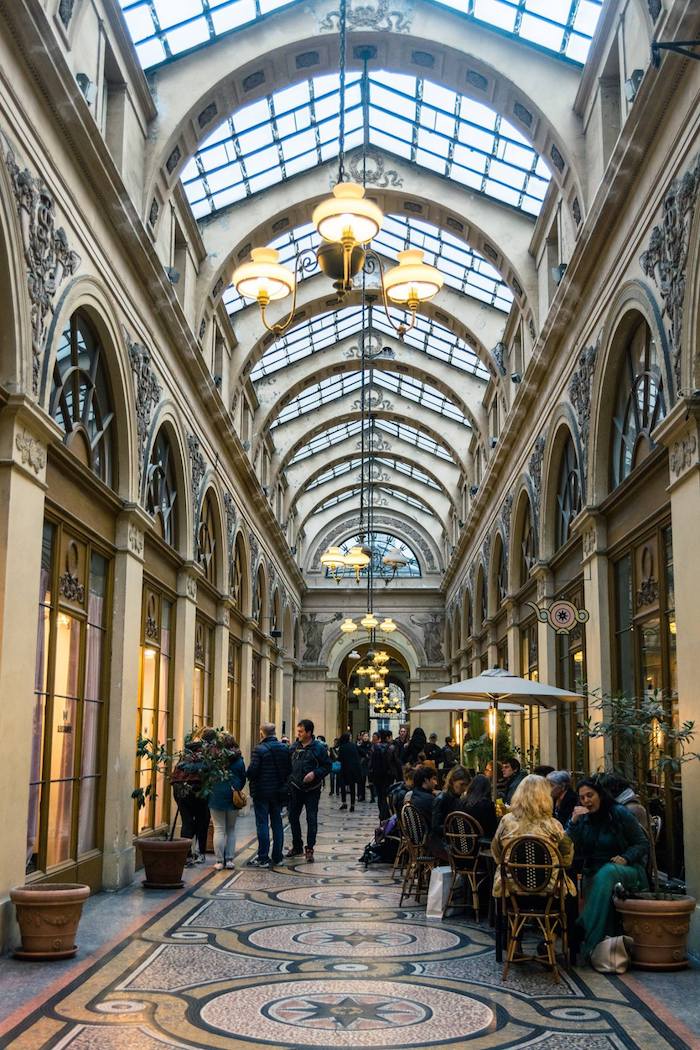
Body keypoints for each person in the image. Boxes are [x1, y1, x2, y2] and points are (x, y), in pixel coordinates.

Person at [566, 778, 649, 961]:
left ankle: (580, 929)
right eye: (582, 798)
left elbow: (642, 843)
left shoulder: (618, 813)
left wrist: (626, 857)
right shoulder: (583, 818)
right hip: (594, 874)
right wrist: (573, 821)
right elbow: (567, 844)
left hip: (628, 870)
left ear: (600, 795)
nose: (587, 801)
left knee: (608, 872)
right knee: (600, 876)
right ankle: (595, 947)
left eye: (590, 795)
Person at [492, 774, 575, 899]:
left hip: (512, 889)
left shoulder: (506, 822)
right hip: (549, 890)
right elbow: (567, 858)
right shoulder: (554, 825)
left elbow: (497, 852)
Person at [246, 722, 292, 868]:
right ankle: (277, 857)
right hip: (278, 792)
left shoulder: (259, 749)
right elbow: (288, 770)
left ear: (262, 733)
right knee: (277, 823)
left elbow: (253, 771)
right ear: (274, 732)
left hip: (261, 792)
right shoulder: (284, 748)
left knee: (262, 823)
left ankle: (263, 857)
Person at [287, 718, 331, 862]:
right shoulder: (294, 747)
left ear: (309, 732)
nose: (298, 733)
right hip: (295, 788)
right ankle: (297, 845)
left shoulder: (318, 748)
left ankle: (310, 848)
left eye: (301, 731)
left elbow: (327, 766)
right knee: (293, 817)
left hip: (312, 789)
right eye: (298, 731)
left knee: (311, 818)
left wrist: (315, 774)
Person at [208, 733, 246, 870]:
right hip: (232, 796)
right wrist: (237, 789)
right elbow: (243, 778)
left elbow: (207, 776)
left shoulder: (214, 759)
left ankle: (219, 861)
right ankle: (229, 860)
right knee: (231, 829)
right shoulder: (239, 760)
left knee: (218, 829)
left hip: (216, 795)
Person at [171, 737, 210, 864]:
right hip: (199, 794)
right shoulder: (204, 761)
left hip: (182, 793)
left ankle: (186, 854)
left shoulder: (183, 761)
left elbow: (175, 779)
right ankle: (200, 853)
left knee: (187, 822)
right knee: (202, 822)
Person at [431, 766, 470, 858]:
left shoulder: (457, 798)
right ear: (452, 782)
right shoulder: (442, 799)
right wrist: (454, 828)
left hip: (453, 840)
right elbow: (435, 826)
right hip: (442, 844)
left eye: (466, 785)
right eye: (462, 784)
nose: (464, 788)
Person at [369, 729, 403, 820]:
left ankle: (381, 814)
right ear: (388, 737)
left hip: (377, 776)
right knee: (387, 795)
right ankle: (386, 814)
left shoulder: (375, 748)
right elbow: (396, 762)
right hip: (388, 776)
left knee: (380, 796)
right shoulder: (391, 748)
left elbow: (371, 763)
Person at [462, 772, 498, 837]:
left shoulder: (463, 802)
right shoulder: (487, 805)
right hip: (482, 839)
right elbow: (493, 828)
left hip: (465, 839)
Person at [337, 731, 362, 811]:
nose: (351, 738)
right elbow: (361, 753)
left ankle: (344, 803)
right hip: (353, 769)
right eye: (350, 736)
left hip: (344, 769)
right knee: (352, 787)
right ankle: (352, 805)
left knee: (343, 787)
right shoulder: (354, 746)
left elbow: (340, 759)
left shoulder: (342, 747)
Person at [357, 731, 372, 802]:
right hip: (362, 765)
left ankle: (372, 797)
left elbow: (371, 753)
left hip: (369, 764)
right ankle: (361, 796)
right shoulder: (360, 745)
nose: (365, 737)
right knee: (362, 781)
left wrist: (366, 754)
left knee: (371, 781)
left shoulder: (371, 745)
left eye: (367, 736)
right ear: (362, 737)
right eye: (364, 736)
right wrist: (365, 754)